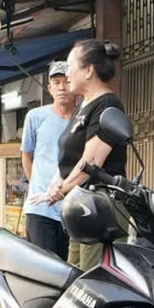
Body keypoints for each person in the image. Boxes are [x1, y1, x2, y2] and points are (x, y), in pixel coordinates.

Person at [41, 36, 130, 207]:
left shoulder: (107, 104)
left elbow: (90, 164)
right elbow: (68, 157)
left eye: (70, 67)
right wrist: (56, 182)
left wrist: (60, 190)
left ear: (88, 70)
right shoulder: (83, 106)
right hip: (80, 204)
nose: (67, 74)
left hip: (102, 205)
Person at [19, 65, 77, 259]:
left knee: (70, 271)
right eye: (56, 83)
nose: (62, 87)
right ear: (49, 88)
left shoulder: (83, 119)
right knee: (44, 268)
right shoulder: (35, 117)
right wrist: (37, 186)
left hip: (74, 209)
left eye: (67, 81)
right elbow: (26, 154)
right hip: (41, 210)